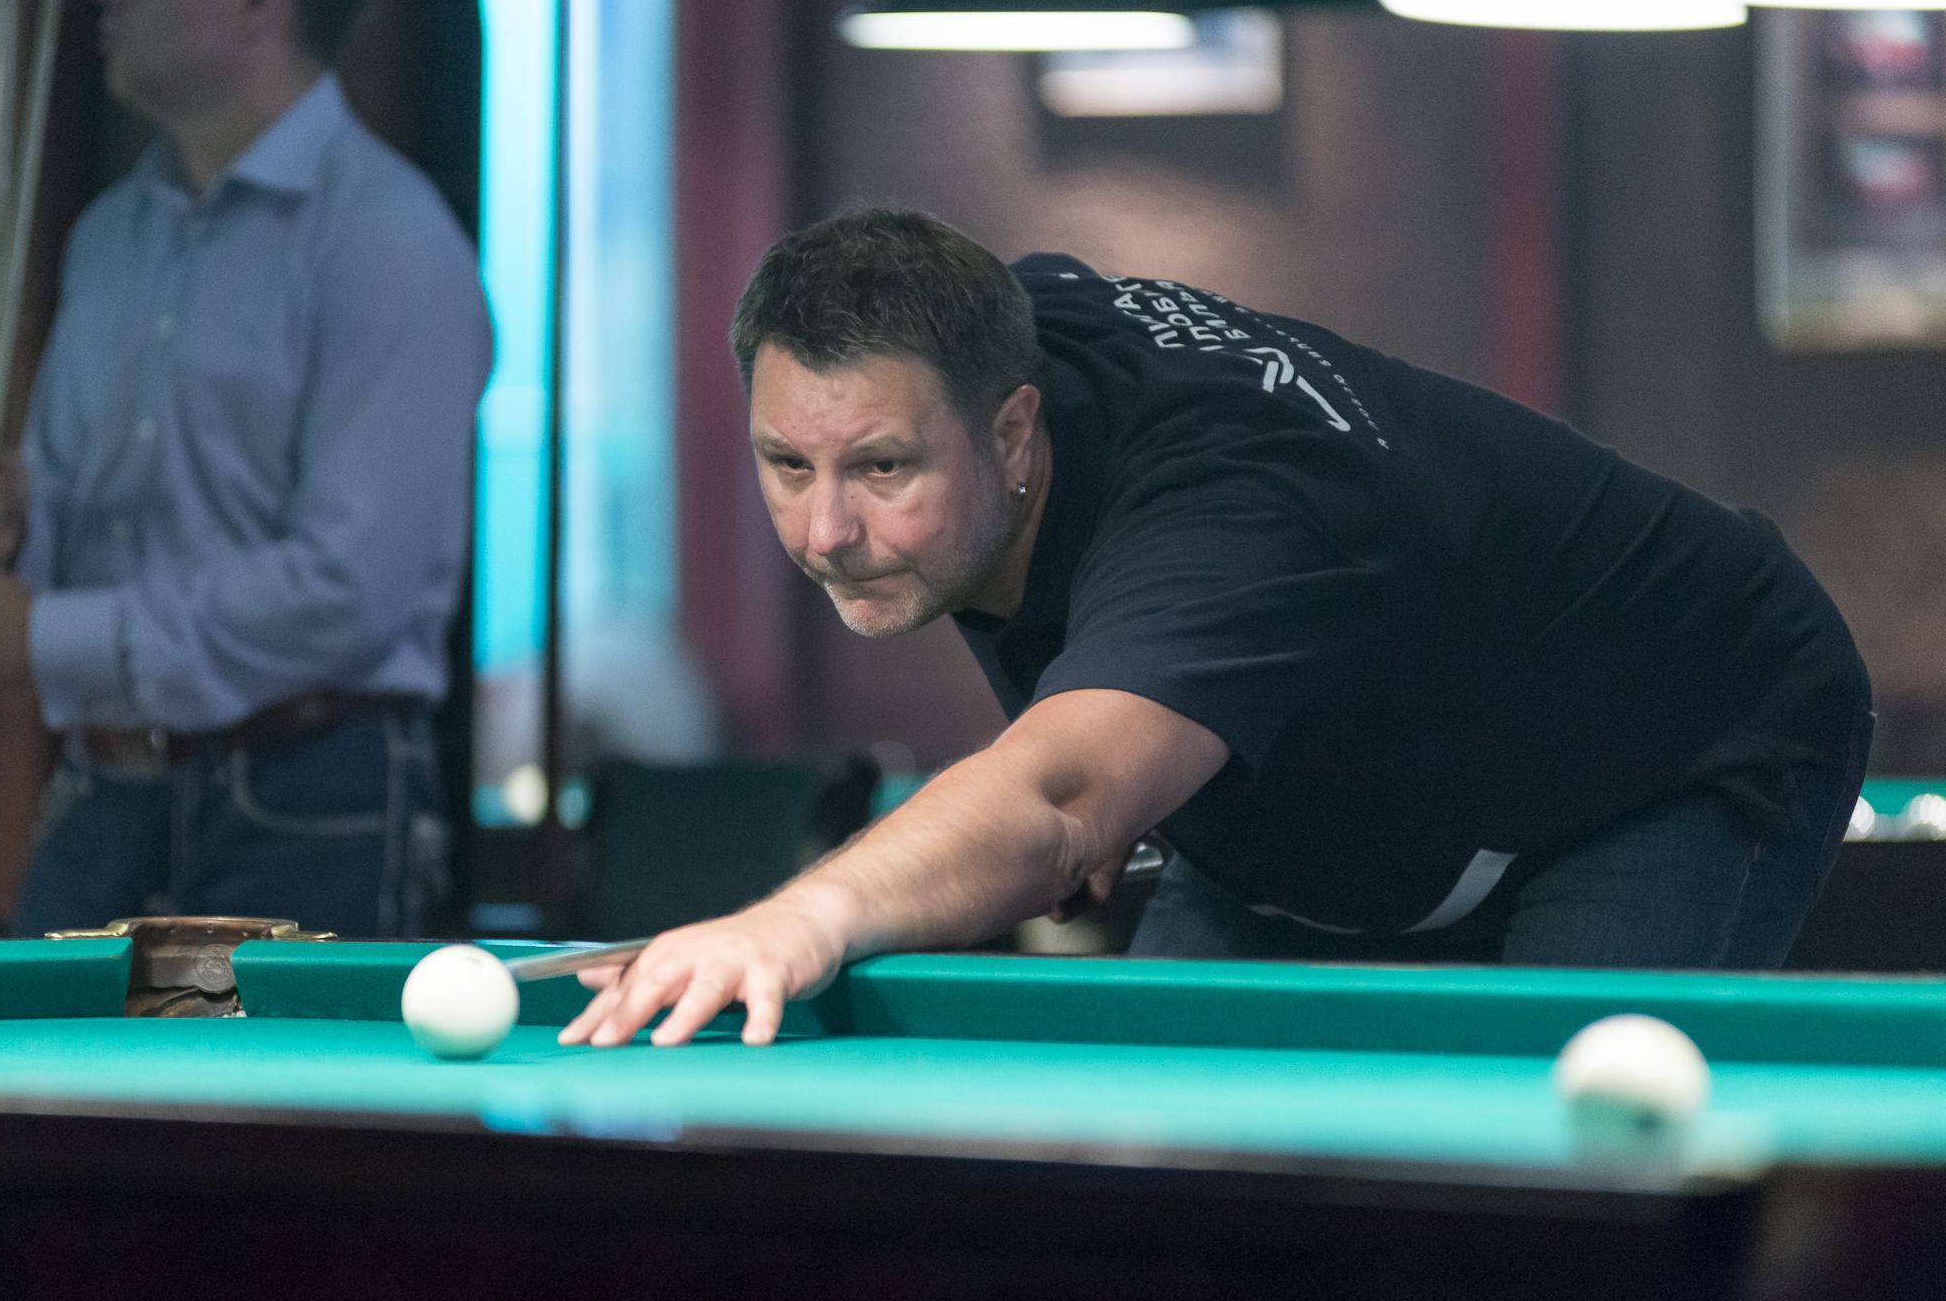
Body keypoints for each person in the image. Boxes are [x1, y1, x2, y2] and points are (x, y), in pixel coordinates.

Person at [563, 207, 1871, 1050]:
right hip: (1344, 775)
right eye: (786, 464)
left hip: (1668, 746)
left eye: (883, 469)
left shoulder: (1233, 510)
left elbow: (1059, 799)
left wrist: (800, 921)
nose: (827, 529)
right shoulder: (1002, 338)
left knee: (1565, 1168)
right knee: (1155, 1149)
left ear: (1013, 432)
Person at [0, 0, 491, 938]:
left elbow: (346, 587)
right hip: (105, 791)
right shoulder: (110, 236)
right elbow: (72, 521)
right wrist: (11, 529)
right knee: (42, 1051)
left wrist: (42, 635)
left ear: (261, 0)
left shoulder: (390, 241)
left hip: (303, 797)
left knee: (262, 1062)